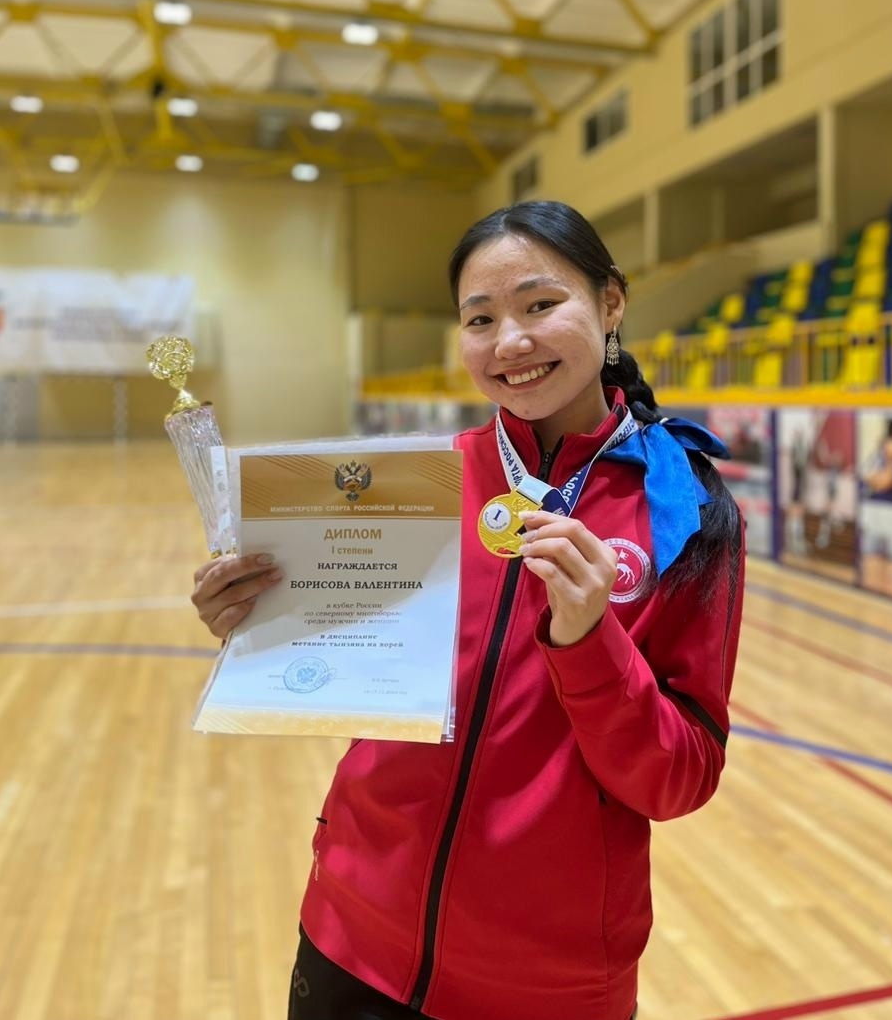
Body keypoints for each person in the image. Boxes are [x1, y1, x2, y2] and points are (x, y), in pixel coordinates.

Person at [191, 200, 745, 1020]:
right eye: (480, 319)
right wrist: (252, 621)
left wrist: (590, 643)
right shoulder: (416, 485)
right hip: (352, 935)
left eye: (540, 304)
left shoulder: (683, 508)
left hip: (550, 986)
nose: (509, 342)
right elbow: (334, 664)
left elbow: (681, 778)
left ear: (611, 303)